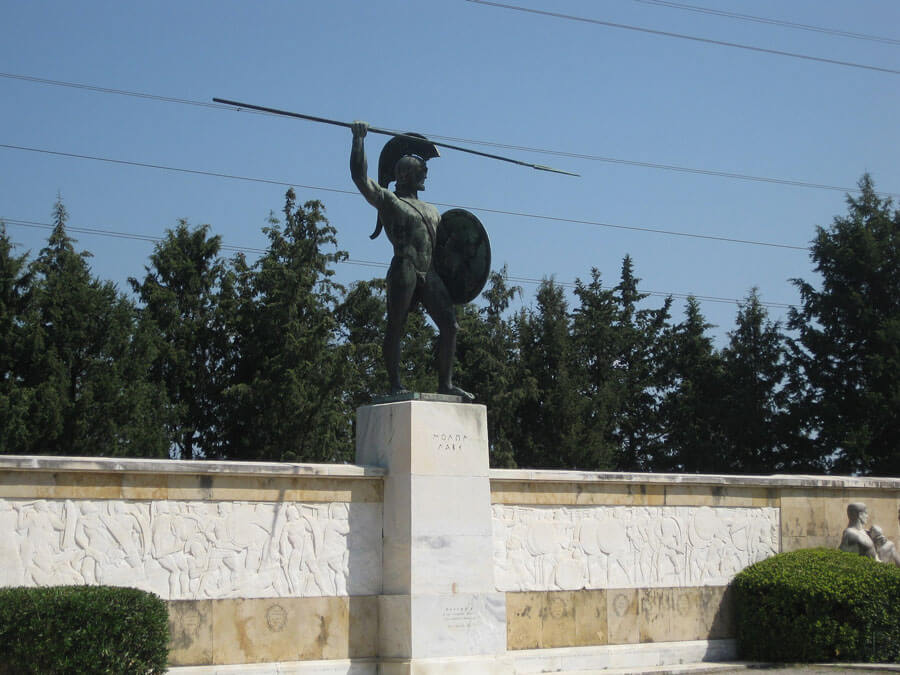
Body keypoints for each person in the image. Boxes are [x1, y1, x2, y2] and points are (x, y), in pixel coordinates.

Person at [350, 121, 471, 399]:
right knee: (396, 326)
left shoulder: (433, 210)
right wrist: (359, 140)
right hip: (404, 267)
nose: (425, 177)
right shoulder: (390, 201)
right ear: (405, 175)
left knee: (450, 326)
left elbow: (447, 248)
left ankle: (445, 384)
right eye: (420, 172)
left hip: (431, 272)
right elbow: (360, 178)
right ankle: (395, 384)